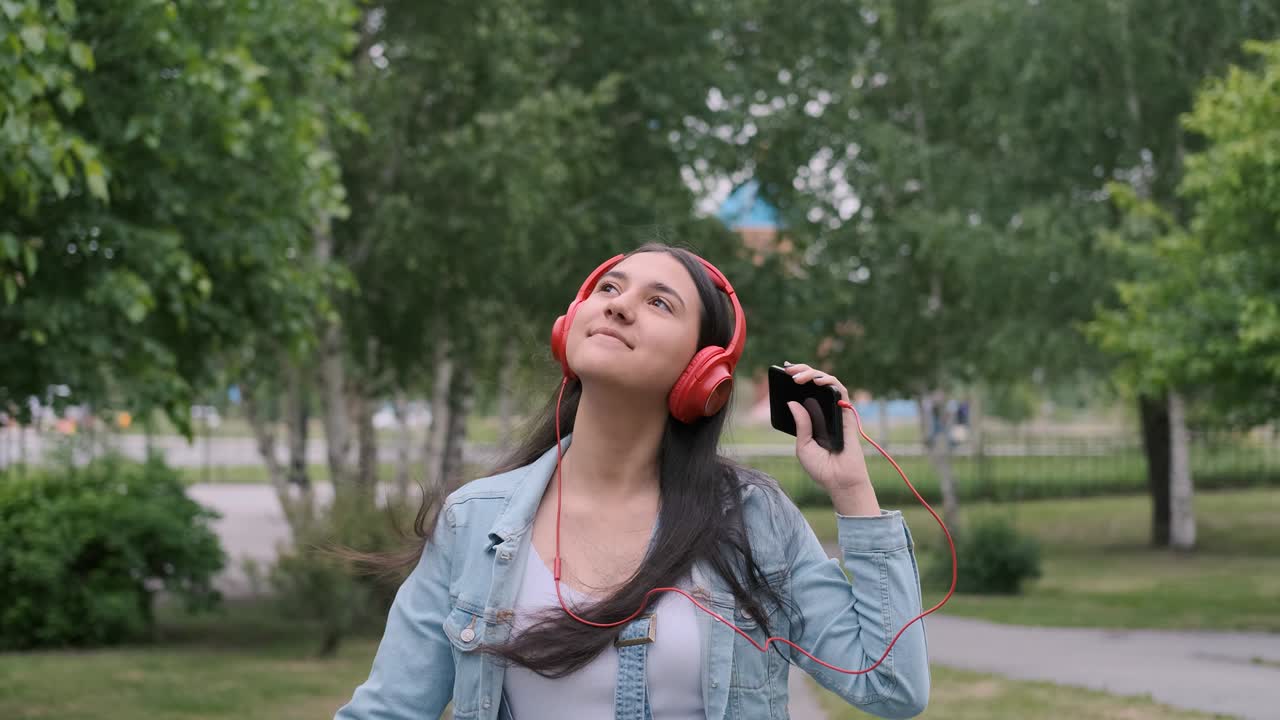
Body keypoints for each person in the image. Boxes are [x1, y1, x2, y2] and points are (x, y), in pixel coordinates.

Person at [335, 242, 930, 720]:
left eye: (659, 303)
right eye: (609, 290)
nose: (618, 306)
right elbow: (386, 710)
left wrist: (852, 491)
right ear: (570, 326)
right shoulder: (474, 521)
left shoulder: (753, 520)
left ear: (704, 372)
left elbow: (891, 685)